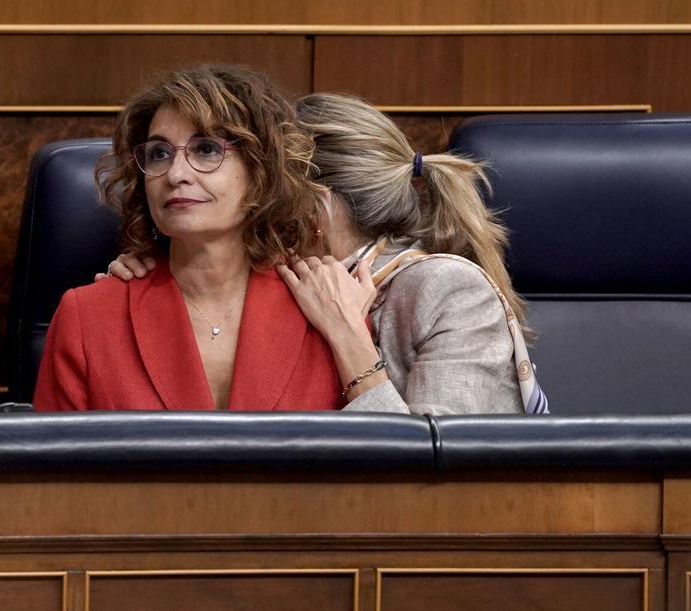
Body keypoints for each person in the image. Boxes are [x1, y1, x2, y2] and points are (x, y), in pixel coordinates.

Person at [107, 92, 546, 415]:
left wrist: (349, 341)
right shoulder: (283, 287)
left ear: (311, 209)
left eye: (267, 193)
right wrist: (159, 280)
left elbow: (443, 485)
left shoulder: (446, 290)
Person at [32, 65, 342, 411]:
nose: (176, 174)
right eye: (159, 154)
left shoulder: (325, 304)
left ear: (261, 171)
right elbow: (55, 463)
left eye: (206, 149)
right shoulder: (87, 317)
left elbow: (369, 456)